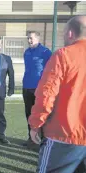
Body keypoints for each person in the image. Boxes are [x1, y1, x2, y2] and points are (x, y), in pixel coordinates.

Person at [29, 15, 86, 173]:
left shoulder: (64, 55)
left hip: (64, 135)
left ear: (69, 34)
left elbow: (46, 94)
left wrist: (35, 125)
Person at [22, 31, 52, 146]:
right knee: (29, 114)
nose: (29, 40)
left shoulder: (45, 52)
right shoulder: (27, 52)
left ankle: (44, 139)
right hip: (26, 88)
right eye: (28, 38)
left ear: (38, 39)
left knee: (41, 114)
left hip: (40, 89)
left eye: (31, 38)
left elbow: (51, 70)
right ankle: (31, 138)